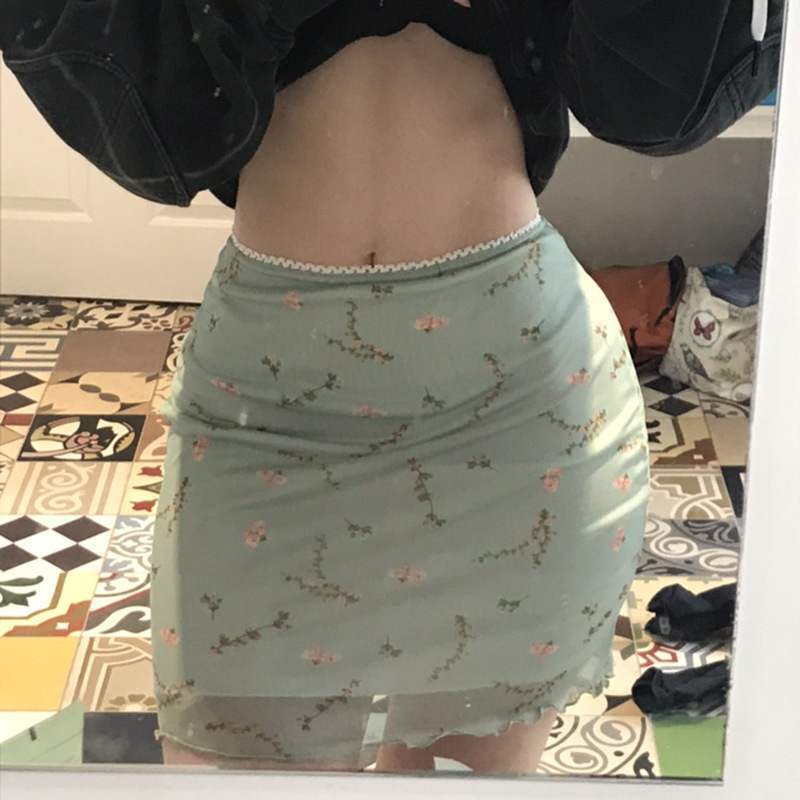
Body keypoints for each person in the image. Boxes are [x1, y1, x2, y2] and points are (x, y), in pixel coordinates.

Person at [0, 0, 782, 777]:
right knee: (233, 767)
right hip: (265, 416)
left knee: (462, 779)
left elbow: (659, 103)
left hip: (520, 410)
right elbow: (139, 122)